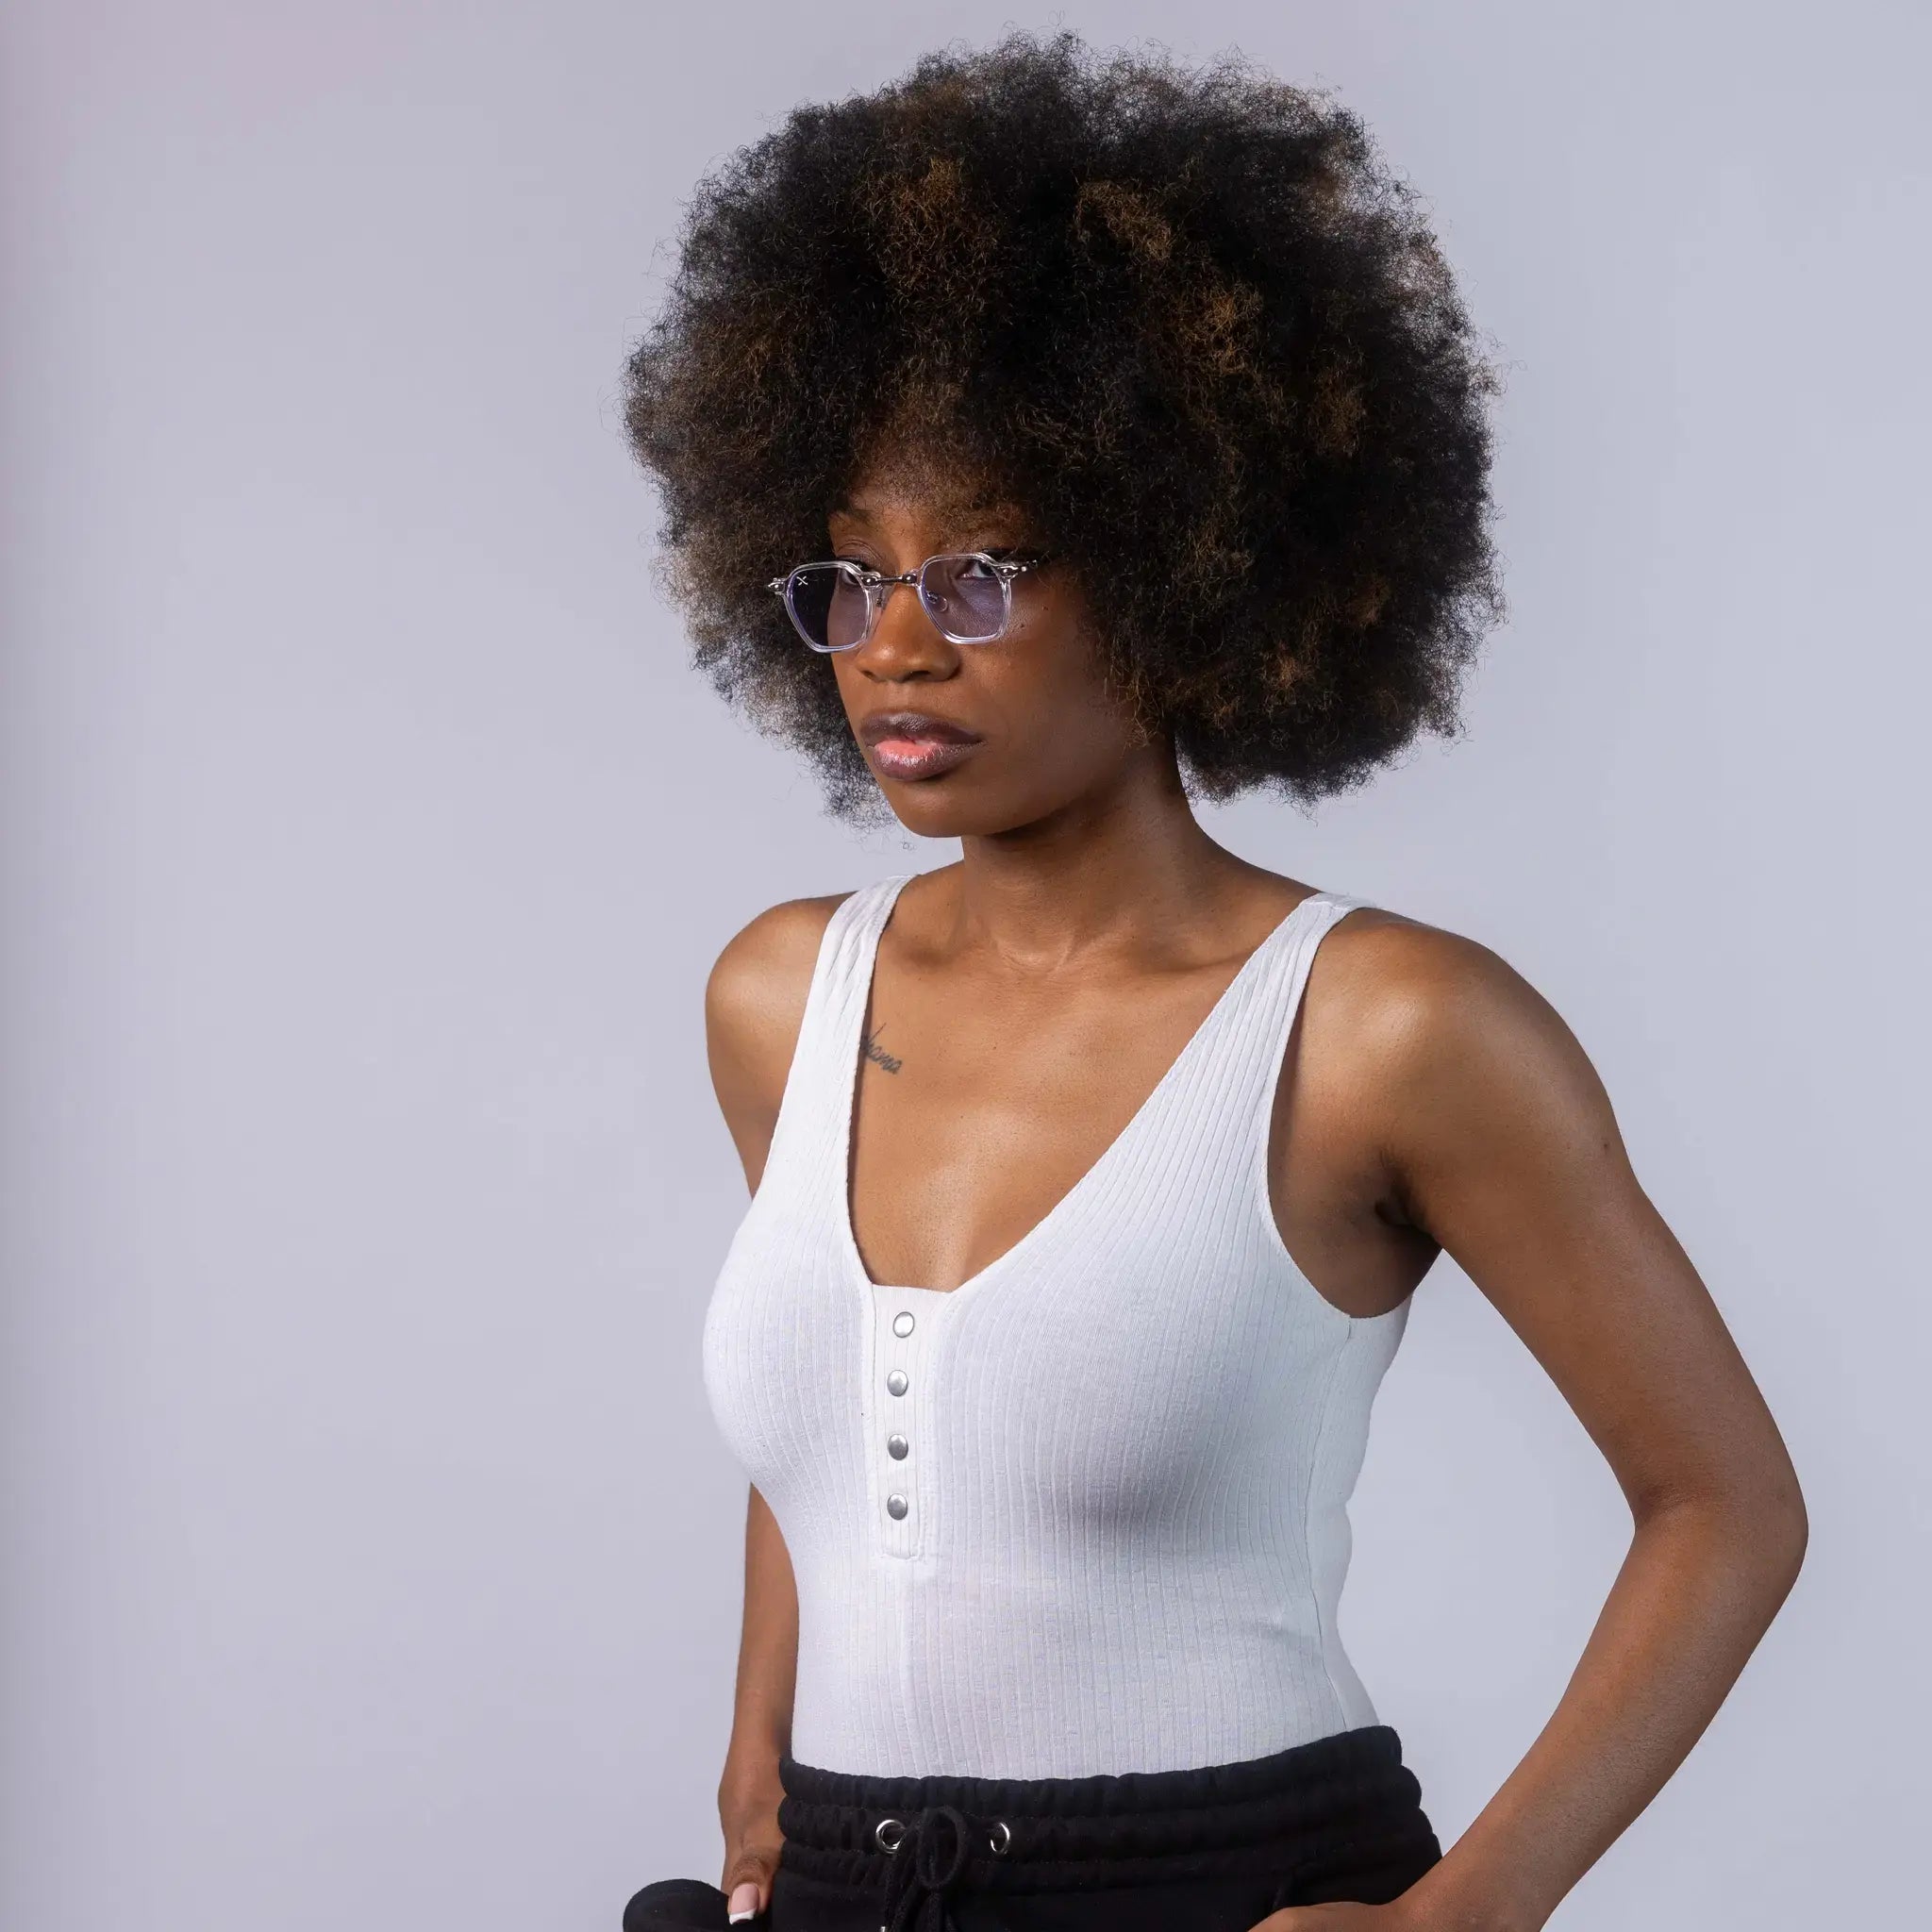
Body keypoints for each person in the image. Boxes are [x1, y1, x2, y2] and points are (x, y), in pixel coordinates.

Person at [616, 30, 1807, 1932]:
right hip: (843, 1886)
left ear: (1184, 567)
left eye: (981, 572)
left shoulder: (1384, 1029)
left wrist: (1462, 1918)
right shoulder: (781, 995)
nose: (896, 647)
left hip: (1230, 1880)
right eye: (850, 579)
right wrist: (759, 1757)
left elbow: (1725, 1505)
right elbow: (832, 1425)